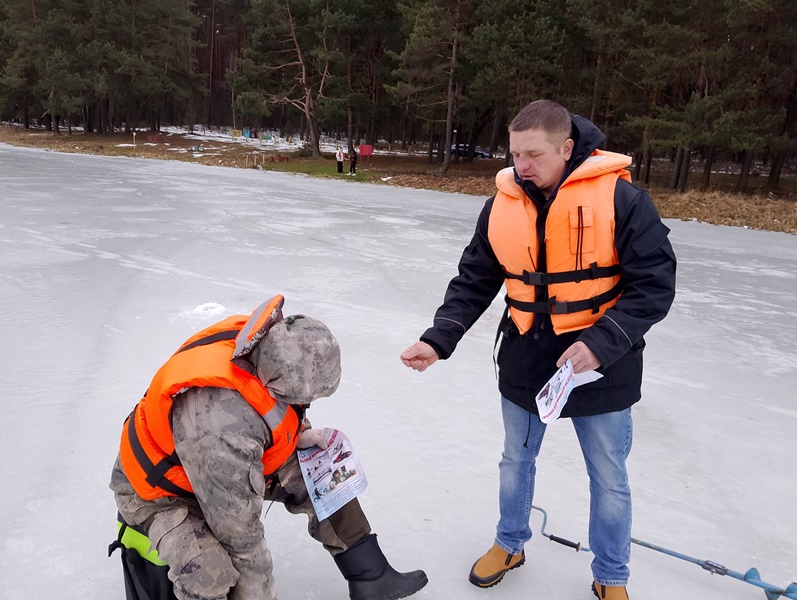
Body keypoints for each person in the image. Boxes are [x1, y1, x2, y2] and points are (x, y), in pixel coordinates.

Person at [400, 100, 676, 600]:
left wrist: (602, 343)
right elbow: (474, 279)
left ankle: (611, 575)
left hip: (601, 366)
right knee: (515, 460)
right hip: (526, 359)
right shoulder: (502, 204)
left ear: (567, 148)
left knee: (609, 477)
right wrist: (439, 338)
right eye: (514, 154)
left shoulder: (623, 199)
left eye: (534, 155)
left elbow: (654, 286)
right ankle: (511, 543)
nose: (520, 166)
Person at [111, 295, 427, 600]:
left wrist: (298, 434)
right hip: (160, 492)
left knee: (322, 472)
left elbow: (273, 406)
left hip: (220, 459)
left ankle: (371, 577)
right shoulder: (221, 421)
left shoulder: (265, 345)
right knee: (209, 573)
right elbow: (241, 538)